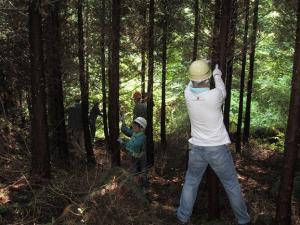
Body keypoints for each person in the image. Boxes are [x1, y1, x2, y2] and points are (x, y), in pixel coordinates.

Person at [176, 60, 251, 225]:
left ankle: (182, 217)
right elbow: (221, 89)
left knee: (191, 183)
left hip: (196, 148)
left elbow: (192, 81)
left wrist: (200, 65)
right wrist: (216, 72)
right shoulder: (214, 96)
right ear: (207, 78)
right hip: (217, 149)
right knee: (231, 184)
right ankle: (243, 220)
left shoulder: (187, 94)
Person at [118, 116, 148, 190]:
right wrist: (123, 121)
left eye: (135, 126)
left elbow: (133, 145)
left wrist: (123, 142)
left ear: (141, 128)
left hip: (141, 158)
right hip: (135, 157)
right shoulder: (135, 133)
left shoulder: (142, 137)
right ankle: (137, 185)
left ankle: (144, 187)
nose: (133, 127)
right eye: (133, 125)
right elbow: (126, 130)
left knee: (143, 172)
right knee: (134, 171)